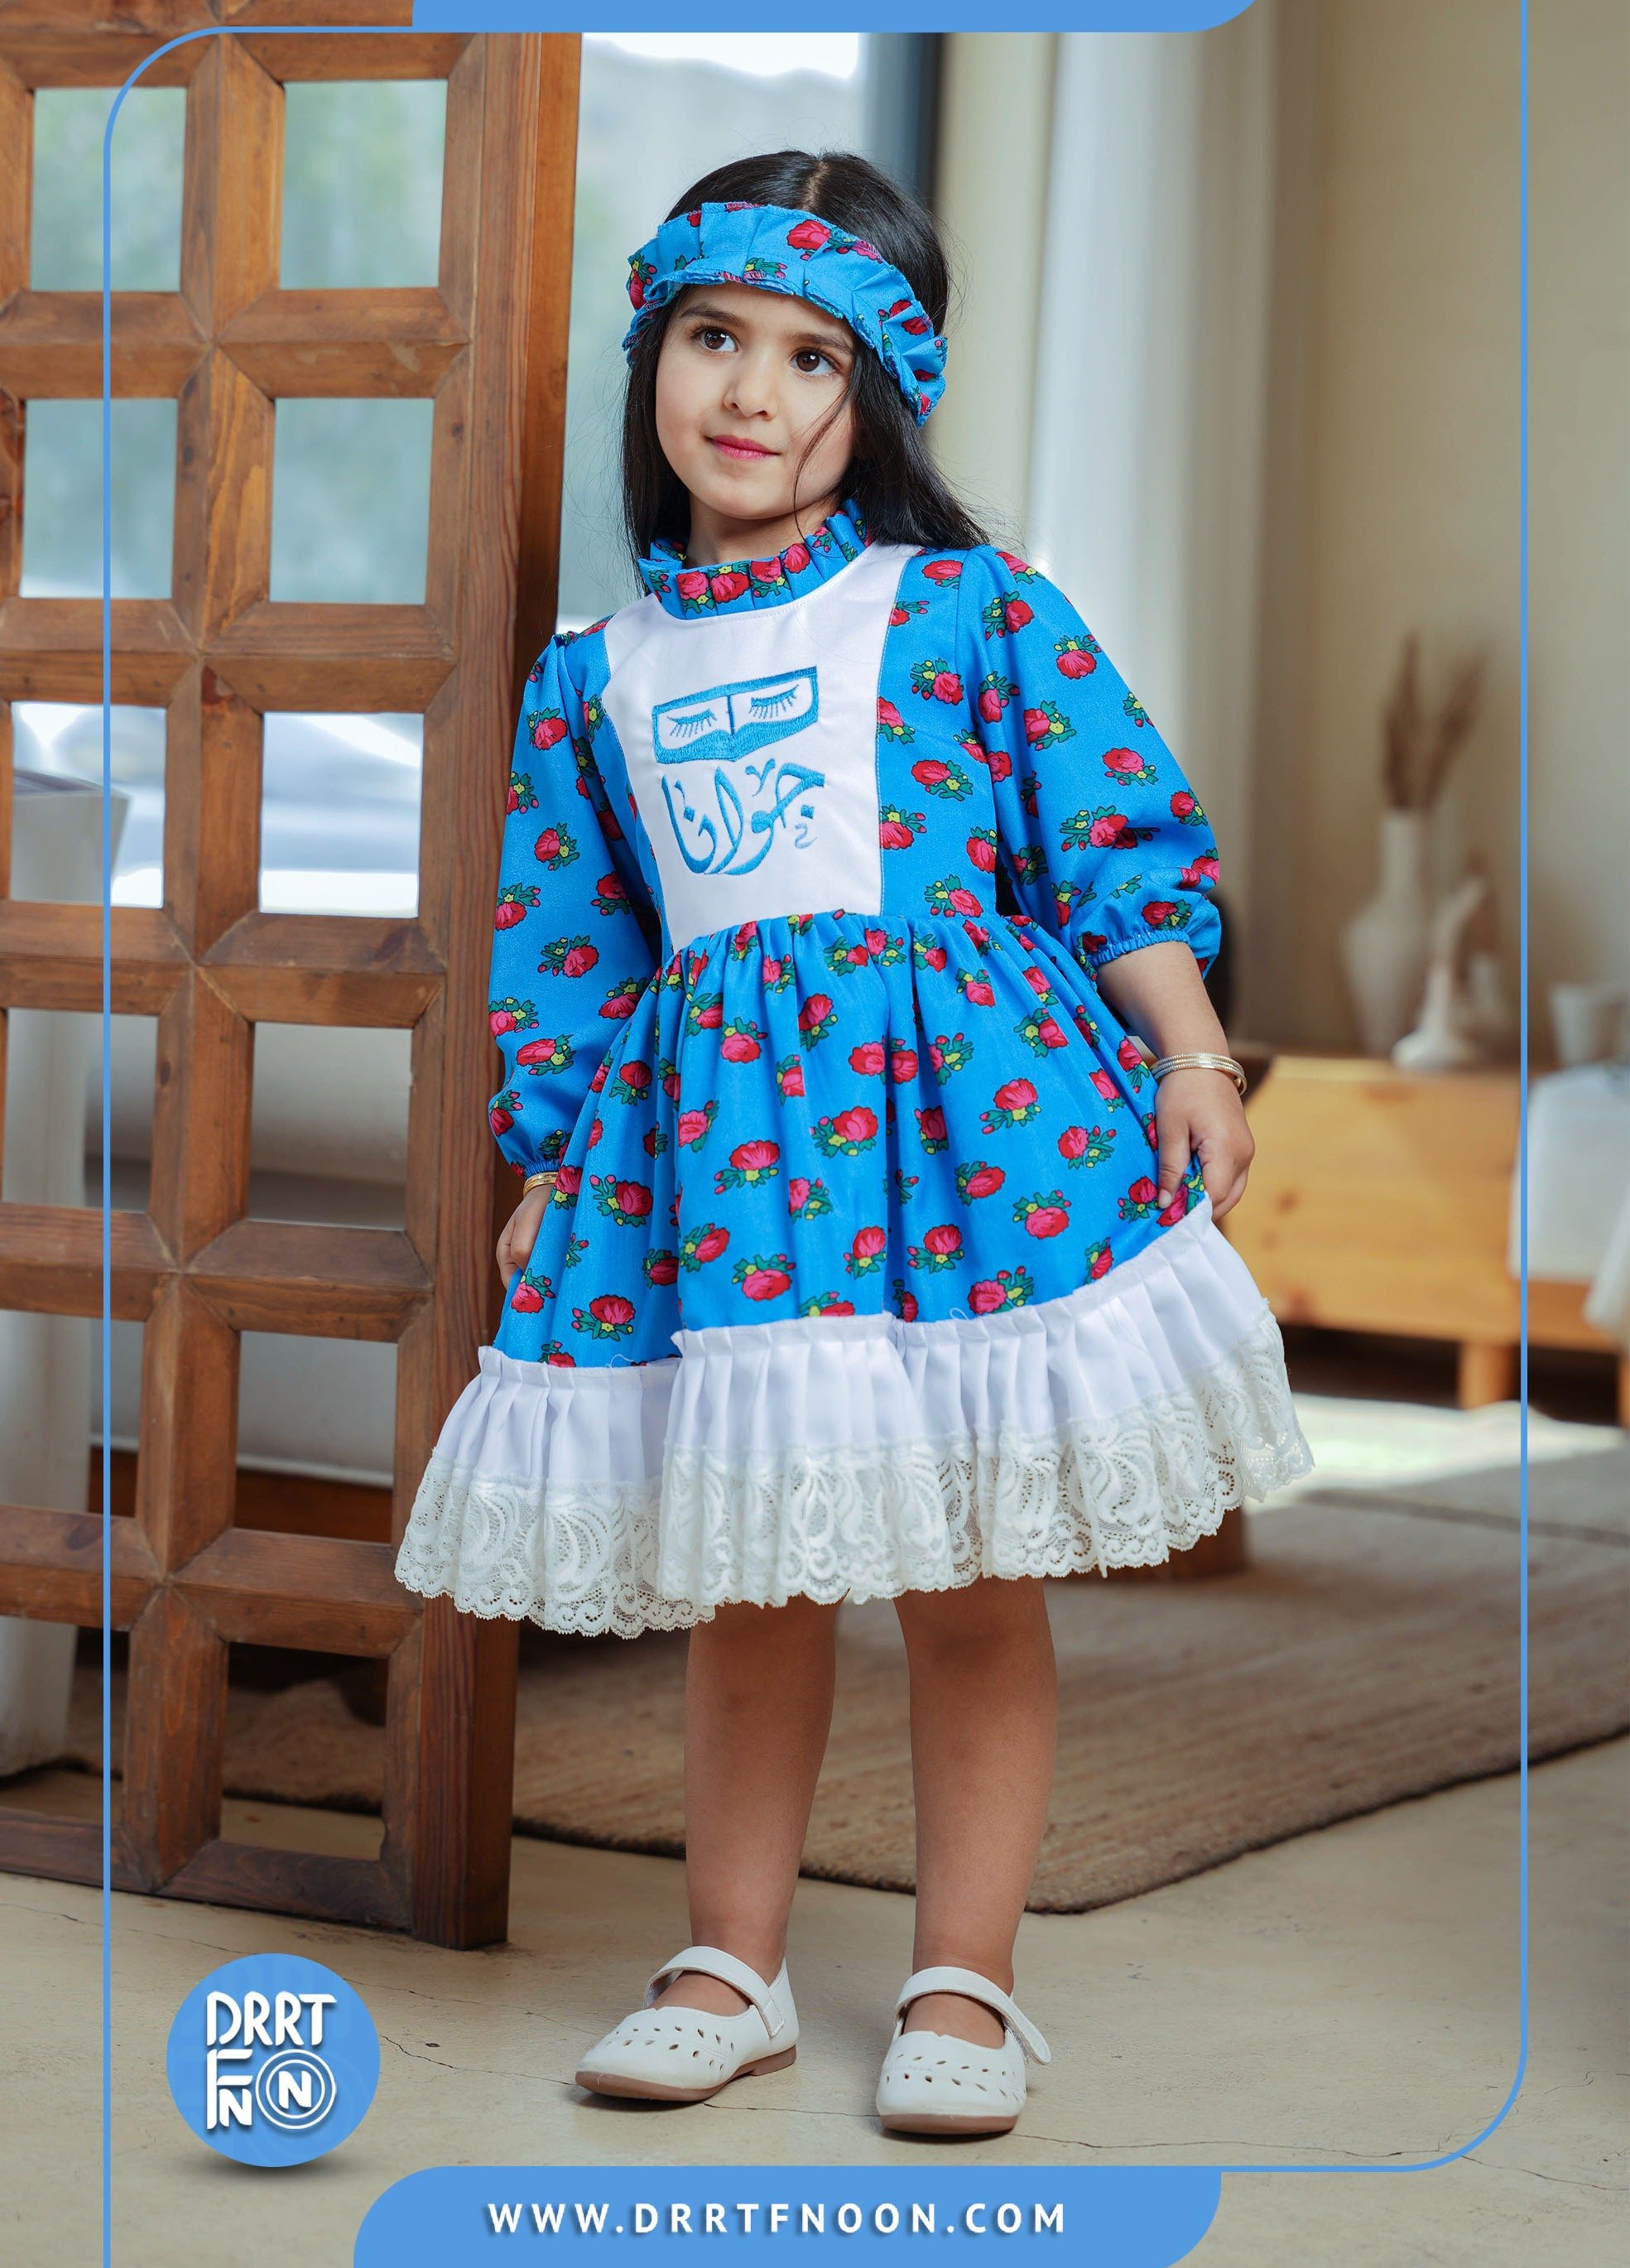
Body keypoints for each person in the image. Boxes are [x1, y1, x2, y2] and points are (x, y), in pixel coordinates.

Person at [394, 149, 1315, 2140]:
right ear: (654, 355)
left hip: (965, 1153)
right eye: (713, 338)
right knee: (755, 1574)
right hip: (731, 1181)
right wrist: (554, 1167)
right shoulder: (595, 677)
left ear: (878, 391)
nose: (750, 391)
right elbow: (568, 947)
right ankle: (725, 1966)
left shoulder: (966, 609)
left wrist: (1194, 1052)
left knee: (970, 1572)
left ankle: (964, 1980)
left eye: (810, 358)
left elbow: (1110, 846)